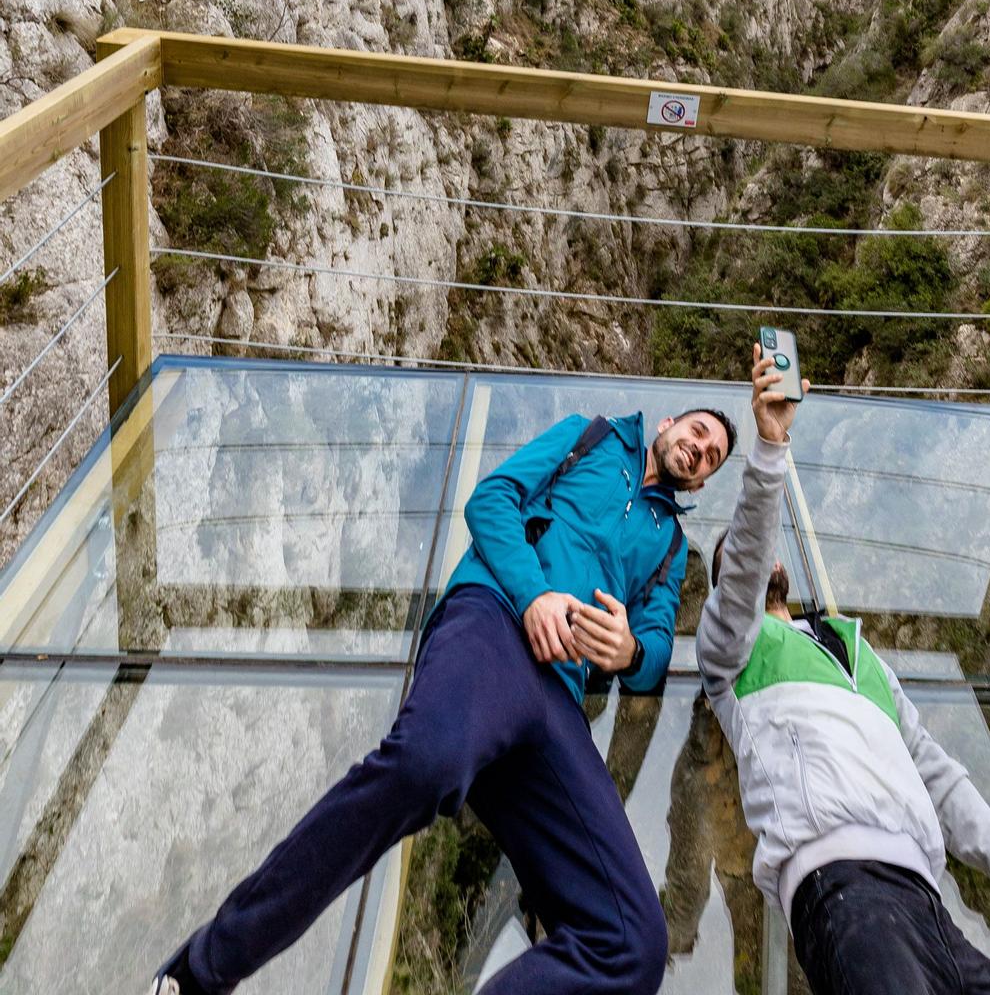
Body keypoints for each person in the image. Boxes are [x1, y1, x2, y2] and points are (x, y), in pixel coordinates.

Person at [150, 399, 739, 995]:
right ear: (668, 426)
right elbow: (491, 500)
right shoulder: (592, 437)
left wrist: (629, 653)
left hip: (558, 701)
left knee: (632, 942)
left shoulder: (669, 546)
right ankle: (199, 973)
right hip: (495, 623)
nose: (698, 450)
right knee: (423, 764)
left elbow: (658, 649)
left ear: (704, 479)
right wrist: (534, 593)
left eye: (710, 456)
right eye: (697, 433)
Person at [698, 348, 990, 995]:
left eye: (763, 549)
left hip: (930, 910)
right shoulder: (730, 653)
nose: (756, 555)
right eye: (739, 554)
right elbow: (743, 563)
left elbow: (940, 778)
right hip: (842, 890)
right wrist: (770, 446)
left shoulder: (860, 653)